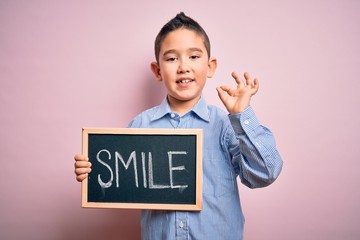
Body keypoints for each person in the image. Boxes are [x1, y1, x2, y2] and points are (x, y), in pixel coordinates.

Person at [74, 12, 283, 240]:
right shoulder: (140, 126)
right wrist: (93, 171)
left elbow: (265, 173)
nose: (183, 67)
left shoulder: (225, 125)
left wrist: (242, 115)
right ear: (157, 71)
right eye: (172, 59)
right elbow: (116, 178)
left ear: (210, 66)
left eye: (194, 57)